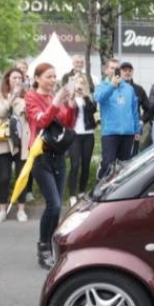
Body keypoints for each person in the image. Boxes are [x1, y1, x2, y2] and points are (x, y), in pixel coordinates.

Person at [25, 63, 76, 269]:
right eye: (48, 76)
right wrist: (56, 101)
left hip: (58, 154)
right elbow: (43, 122)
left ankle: (52, 247)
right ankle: (43, 247)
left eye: (55, 76)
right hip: (41, 155)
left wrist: (70, 104)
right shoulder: (31, 97)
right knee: (53, 204)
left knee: (57, 206)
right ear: (37, 78)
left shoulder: (54, 96)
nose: (53, 80)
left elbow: (67, 123)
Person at [0, 68, 28, 223]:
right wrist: (11, 98)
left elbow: (26, 113)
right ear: (8, 80)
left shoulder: (27, 96)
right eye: (14, 78)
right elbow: (0, 112)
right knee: (4, 176)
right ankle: (2, 210)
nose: (17, 80)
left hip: (21, 139)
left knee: (22, 175)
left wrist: (19, 98)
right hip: (4, 140)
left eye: (20, 78)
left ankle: (21, 209)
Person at [95, 60, 140, 177]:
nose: (115, 70)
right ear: (106, 70)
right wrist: (112, 86)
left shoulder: (129, 88)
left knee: (124, 165)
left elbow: (134, 110)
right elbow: (98, 98)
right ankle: (101, 188)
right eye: (112, 68)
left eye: (117, 68)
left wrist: (137, 129)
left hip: (128, 132)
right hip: (110, 132)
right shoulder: (102, 86)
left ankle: (120, 192)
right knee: (108, 164)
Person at [67, 75, 96, 207]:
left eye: (82, 83)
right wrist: (73, 96)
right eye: (78, 82)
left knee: (86, 164)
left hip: (88, 134)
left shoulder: (88, 98)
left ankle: (82, 191)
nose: (80, 85)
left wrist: (86, 96)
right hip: (74, 135)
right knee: (75, 164)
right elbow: (68, 111)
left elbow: (93, 111)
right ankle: (72, 194)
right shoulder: (70, 98)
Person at [119, 61, 149, 156]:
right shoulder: (115, 88)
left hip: (133, 129)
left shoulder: (138, 89)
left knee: (131, 156)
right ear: (120, 72)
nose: (127, 72)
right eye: (124, 70)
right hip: (117, 128)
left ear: (133, 72)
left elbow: (148, 109)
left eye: (129, 70)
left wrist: (142, 120)